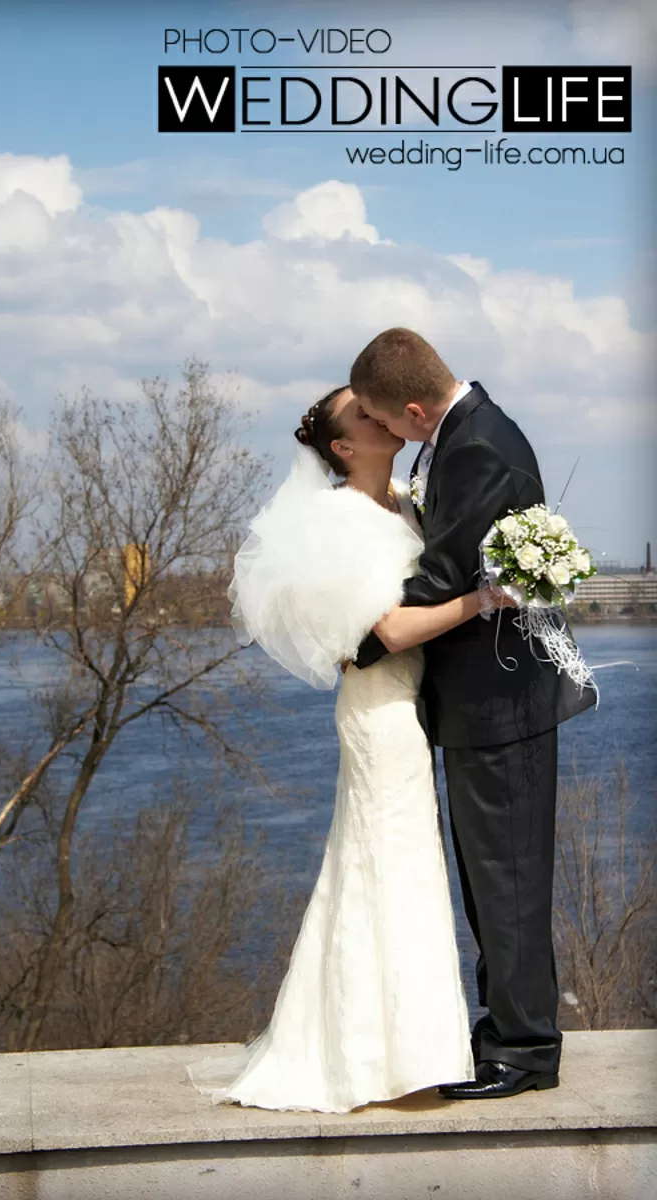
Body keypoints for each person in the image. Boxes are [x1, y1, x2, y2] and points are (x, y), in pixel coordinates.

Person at [187, 384, 510, 1114]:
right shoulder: (336, 519)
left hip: (411, 705)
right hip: (379, 709)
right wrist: (488, 599)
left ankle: (398, 1049)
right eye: (363, 414)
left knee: (386, 866)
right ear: (342, 446)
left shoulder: (399, 501)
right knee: (392, 866)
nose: (381, 413)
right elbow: (386, 634)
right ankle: (385, 1058)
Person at [350, 328, 596, 1100]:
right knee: (491, 877)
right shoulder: (459, 436)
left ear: (416, 408)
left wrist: (356, 636)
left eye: (388, 422)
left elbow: (445, 575)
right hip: (482, 701)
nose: (386, 434)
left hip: (501, 701)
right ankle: (504, 1034)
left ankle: (525, 1050)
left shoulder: (478, 447)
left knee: (508, 876)